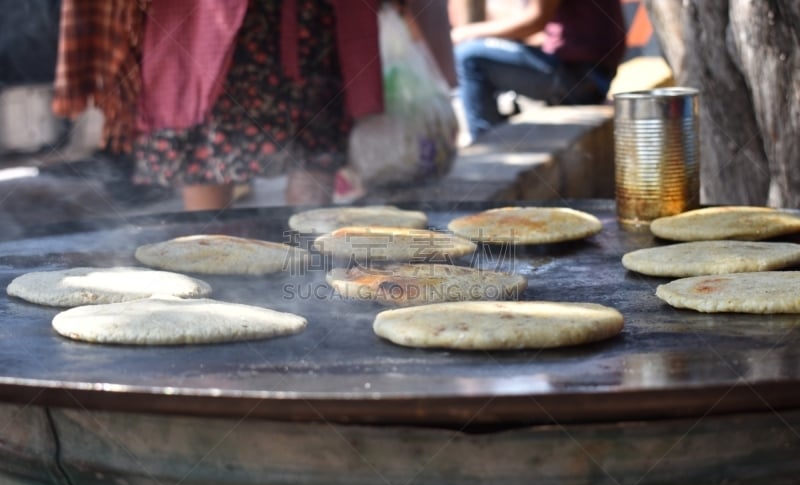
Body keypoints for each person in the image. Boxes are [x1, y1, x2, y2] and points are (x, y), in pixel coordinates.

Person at [52, 0, 455, 211]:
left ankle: (307, 273)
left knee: (311, 136)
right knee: (205, 135)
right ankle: (210, 271)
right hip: (202, 17)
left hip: (302, 18)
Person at [451, 0, 626, 143]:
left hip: (580, 77)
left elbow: (536, 20)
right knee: (485, 52)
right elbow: (542, 33)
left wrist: (467, 32)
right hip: (595, 76)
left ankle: (485, 146)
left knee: (468, 56)